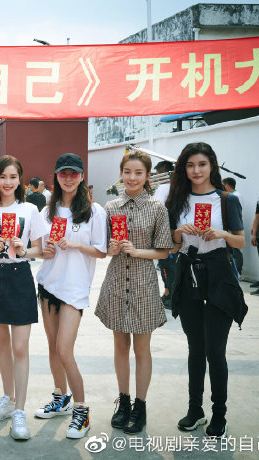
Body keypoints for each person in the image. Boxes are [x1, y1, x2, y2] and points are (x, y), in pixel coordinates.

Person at [166, 142, 247, 438]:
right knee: (195, 348)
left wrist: (223, 234)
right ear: (183, 169)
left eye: (201, 164)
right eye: (190, 165)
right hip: (188, 274)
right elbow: (172, 246)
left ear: (211, 165)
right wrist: (178, 233)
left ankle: (219, 414)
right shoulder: (177, 200)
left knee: (215, 349)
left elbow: (240, 241)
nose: (196, 170)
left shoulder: (226, 200)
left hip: (219, 276)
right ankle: (195, 409)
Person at [95, 150, 173, 434]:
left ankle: (140, 405)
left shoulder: (157, 208)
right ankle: (124, 401)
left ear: (148, 176)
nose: (132, 177)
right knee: (120, 346)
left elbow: (163, 251)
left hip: (143, 285)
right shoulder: (111, 207)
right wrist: (111, 248)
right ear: (121, 173)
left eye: (138, 173)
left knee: (142, 349)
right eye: (127, 172)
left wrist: (136, 250)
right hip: (116, 282)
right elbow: (103, 249)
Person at [0, 156, 47, 440]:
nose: (7, 182)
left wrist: (23, 249)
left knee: (20, 347)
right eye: (2, 176)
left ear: (20, 180)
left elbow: (40, 249)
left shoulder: (29, 209)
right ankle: (7, 398)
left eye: (13, 176)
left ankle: (20, 411)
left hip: (19, 277)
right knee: (2, 345)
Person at [34, 153, 107, 439]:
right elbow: (41, 250)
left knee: (65, 350)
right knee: (53, 348)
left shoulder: (94, 211)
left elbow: (101, 251)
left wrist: (76, 244)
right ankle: (60, 398)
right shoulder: (47, 212)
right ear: (56, 176)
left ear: (82, 177)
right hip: (48, 285)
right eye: (63, 173)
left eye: (73, 173)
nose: (68, 178)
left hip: (74, 290)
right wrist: (46, 250)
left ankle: (81, 410)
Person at [152, 160, 176, 308]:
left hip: (165, 235)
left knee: (166, 266)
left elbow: (154, 209)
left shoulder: (164, 187)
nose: (156, 177)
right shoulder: (178, 187)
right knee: (170, 266)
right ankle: (168, 294)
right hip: (176, 235)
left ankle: (170, 297)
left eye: (158, 174)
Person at [222, 177, 244, 276]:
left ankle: (238, 272)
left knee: (236, 251)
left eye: (222, 185)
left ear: (226, 185)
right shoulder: (231, 195)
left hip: (234, 227)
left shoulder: (235, 196)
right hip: (230, 227)